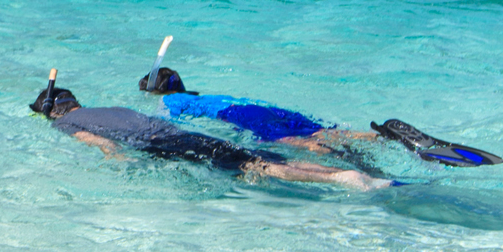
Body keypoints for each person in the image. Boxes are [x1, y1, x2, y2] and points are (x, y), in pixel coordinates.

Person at [31, 85, 392, 190]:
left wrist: (116, 161)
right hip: (179, 134)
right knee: (251, 158)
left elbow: (103, 144)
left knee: (257, 166)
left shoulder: (64, 123)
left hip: (164, 145)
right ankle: (342, 173)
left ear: (52, 113)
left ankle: (345, 178)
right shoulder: (109, 108)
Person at [141, 68, 502, 166]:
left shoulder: (173, 104)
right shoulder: (198, 93)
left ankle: (348, 164)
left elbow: (175, 127)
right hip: (266, 106)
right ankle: (379, 137)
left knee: (293, 143)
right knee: (320, 130)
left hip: (241, 115)